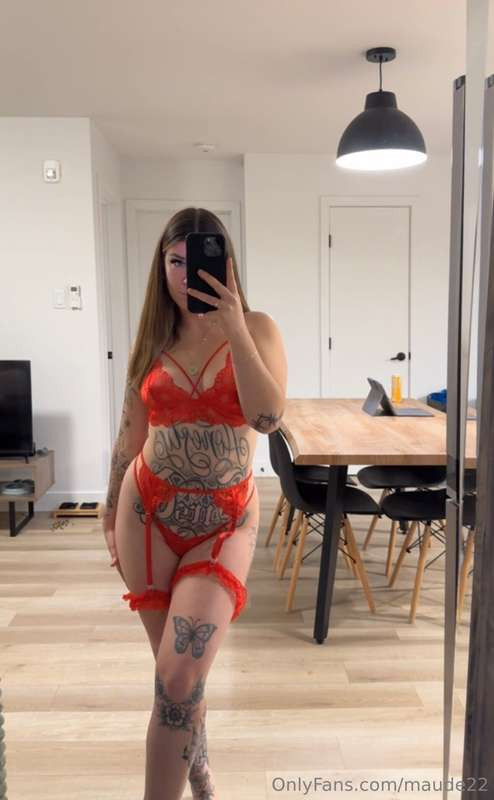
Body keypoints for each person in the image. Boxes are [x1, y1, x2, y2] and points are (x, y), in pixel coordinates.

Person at [102, 207, 288, 800]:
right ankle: (198, 766)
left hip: (225, 522)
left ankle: (193, 771)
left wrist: (233, 324)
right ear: (161, 267)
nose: (186, 276)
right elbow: (129, 436)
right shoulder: (154, 338)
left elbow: (268, 417)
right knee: (174, 676)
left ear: (225, 263)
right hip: (145, 517)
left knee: (179, 676)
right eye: (174, 261)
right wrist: (107, 511)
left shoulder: (256, 328)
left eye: (198, 260)